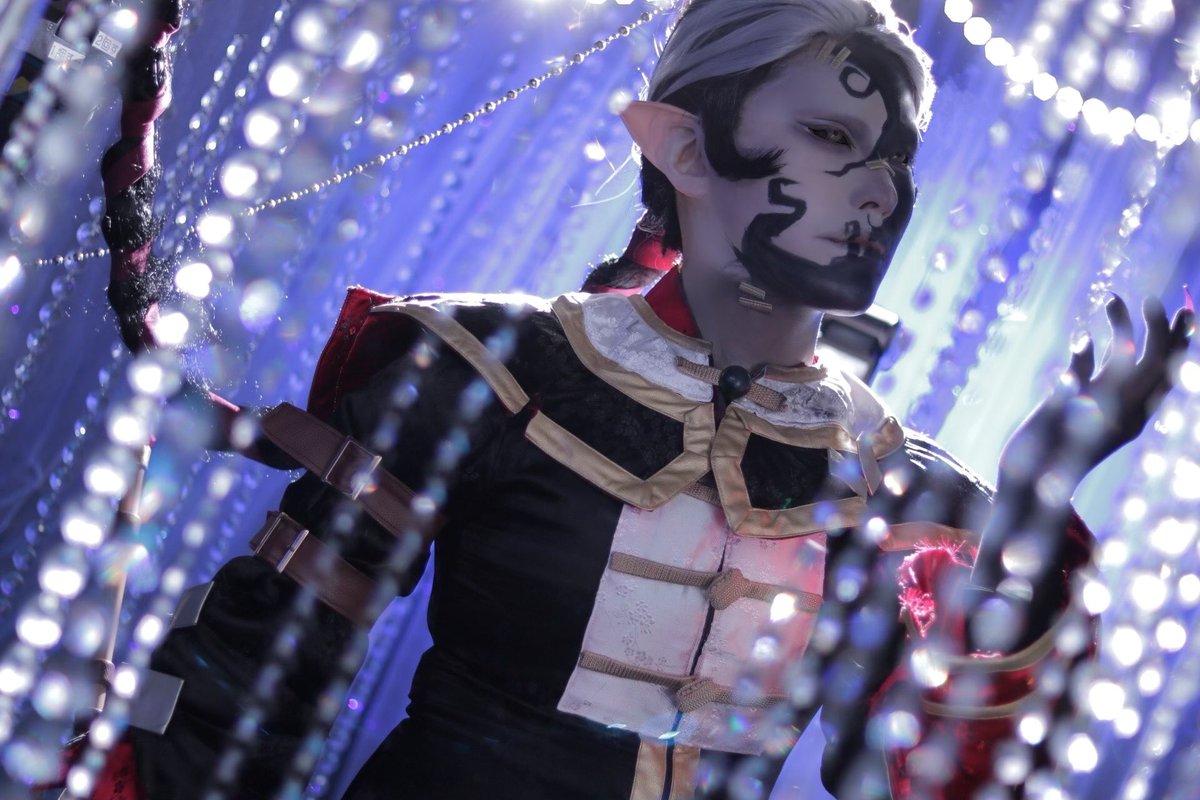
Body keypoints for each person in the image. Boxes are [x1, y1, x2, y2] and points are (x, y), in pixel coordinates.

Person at [84, 0, 1193, 798]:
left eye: (894, 157)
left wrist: (1036, 508)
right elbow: (255, 672)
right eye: (832, 137)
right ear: (686, 147)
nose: (877, 189)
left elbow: (903, 769)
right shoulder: (482, 368)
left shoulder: (887, 474)